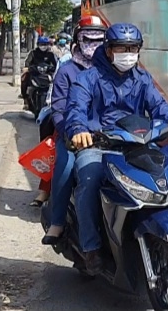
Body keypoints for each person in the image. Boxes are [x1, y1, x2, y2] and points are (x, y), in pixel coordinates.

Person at [63, 22, 168, 274]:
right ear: (109, 51)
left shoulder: (141, 79)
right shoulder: (89, 78)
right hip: (100, 146)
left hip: (135, 144)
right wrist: (79, 130)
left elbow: (159, 107)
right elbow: (75, 108)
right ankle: (90, 248)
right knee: (89, 180)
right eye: (122, 48)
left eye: (133, 48)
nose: (128, 53)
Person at [37, 15, 108, 234]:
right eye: (88, 39)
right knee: (66, 166)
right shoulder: (67, 71)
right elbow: (58, 108)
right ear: (77, 40)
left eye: (99, 40)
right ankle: (57, 221)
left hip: (106, 134)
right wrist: (72, 132)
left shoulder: (110, 70)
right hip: (71, 135)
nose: (93, 46)